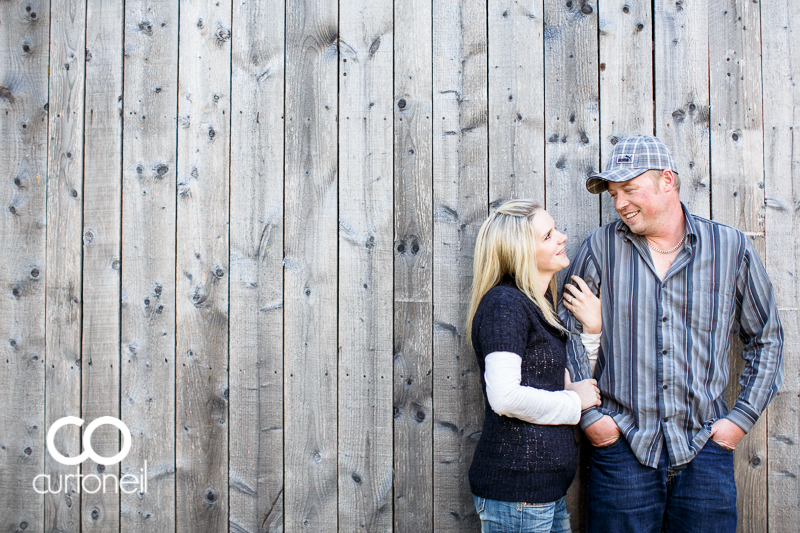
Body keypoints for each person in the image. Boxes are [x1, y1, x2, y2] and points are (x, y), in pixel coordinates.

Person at [559, 135, 784, 532]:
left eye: (629, 189)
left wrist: (738, 422)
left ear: (667, 181)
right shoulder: (601, 248)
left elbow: (766, 338)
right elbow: (569, 335)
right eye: (613, 194)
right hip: (622, 450)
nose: (620, 204)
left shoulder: (729, 248)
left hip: (704, 451)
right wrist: (592, 419)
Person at [467, 200, 604, 533]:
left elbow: (573, 381)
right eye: (548, 236)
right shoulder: (505, 305)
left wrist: (593, 330)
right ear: (520, 253)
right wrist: (574, 402)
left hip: (542, 494)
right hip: (518, 494)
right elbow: (505, 397)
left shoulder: (536, 306)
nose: (563, 237)